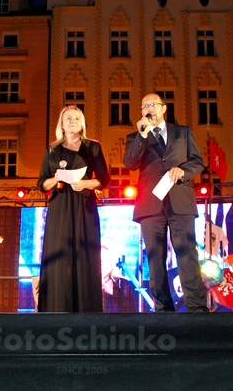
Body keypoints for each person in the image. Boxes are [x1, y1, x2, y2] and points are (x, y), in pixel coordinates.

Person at [123, 93, 208, 312]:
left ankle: (196, 308)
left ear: (164, 108)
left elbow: (198, 161)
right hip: (150, 204)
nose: (148, 108)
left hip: (180, 200)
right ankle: (163, 309)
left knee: (187, 254)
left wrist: (183, 171)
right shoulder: (135, 138)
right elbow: (130, 163)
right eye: (144, 106)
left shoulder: (183, 132)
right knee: (155, 258)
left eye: (153, 104)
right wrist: (142, 136)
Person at [37, 105, 111, 312]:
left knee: (85, 254)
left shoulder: (93, 147)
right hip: (59, 205)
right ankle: (56, 308)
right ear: (61, 123)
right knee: (59, 256)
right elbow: (41, 182)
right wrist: (55, 179)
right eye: (68, 118)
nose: (72, 121)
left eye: (76, 118)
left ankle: (87, 310)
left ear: (82, 123)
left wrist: (87, 184)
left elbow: (104, 179)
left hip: (84, 206)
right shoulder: (52, 150)